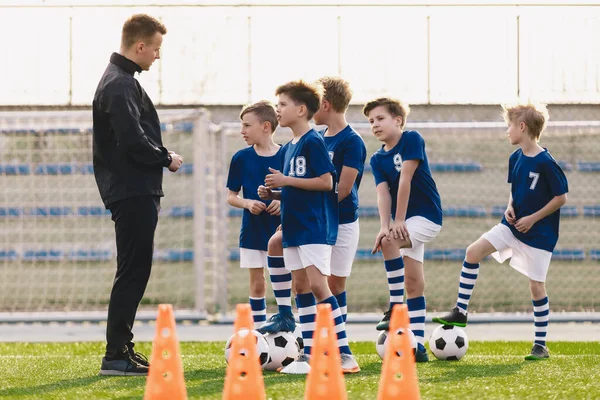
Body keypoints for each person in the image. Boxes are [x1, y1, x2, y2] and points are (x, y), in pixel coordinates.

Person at [433, 103, 568, 361]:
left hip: (539, 237)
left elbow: (561, 197)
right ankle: (460, 311)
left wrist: (533, 218)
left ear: (522, 127)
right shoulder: (515, 158)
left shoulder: (546, 162)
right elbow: (514, 190)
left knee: (536, 287)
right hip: (511, 228)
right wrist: (509, 207)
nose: (506, 131)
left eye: (509, 125)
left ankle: (540, 345)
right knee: (473, 252)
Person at [92, 14, 183, 376]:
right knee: (133, 270)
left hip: (132, 189)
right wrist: (167, 158)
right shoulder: (120, 84)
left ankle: (121, 348)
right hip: (131, 190)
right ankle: (116, 354)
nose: (158, 56)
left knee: (134, 269)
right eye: (156, 48)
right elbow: (132, 140)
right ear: (140, 46)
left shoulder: (122, 80)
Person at [258, 77, 365, 374]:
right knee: (301, 288)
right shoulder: (291, 145)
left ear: (302, 109)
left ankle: (344, 354)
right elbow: (298, 187)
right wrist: (275, 192)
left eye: (282, 105)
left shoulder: (313, 141)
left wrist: (285, 181)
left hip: (314, 227)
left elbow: (327, 182)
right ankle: (309, 355)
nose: (277, 110)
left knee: (320, 286)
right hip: (294, 225)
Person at [365, 97, 443, 363]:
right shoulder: (376, 159)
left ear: (397, 120)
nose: (374, 125)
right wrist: (385, 226)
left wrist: (397, 223)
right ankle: (418, 345)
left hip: (426, 217)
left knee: (389, 243)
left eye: (380, 118)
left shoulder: (411, 139)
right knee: (414, 282)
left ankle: (396, 308)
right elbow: (382, 194)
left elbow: (406, 179)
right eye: (371, 121)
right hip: (405, 222)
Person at [226, 101, 284, 330]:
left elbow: (297, 190)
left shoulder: (288, 153)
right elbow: (231, 196)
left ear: (266, 126)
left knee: (289, 281)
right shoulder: (241, 158)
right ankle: (258, 330)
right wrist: (248, 203)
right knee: (257, 282)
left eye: (247, 125)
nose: (242, 131)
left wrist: (283, 203)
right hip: (252, 230)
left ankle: (291, 328)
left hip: (283, 230)